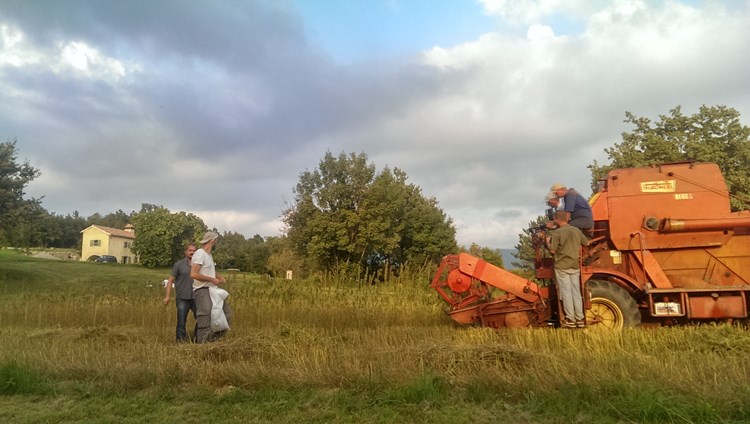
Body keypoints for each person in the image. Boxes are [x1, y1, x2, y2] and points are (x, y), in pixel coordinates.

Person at [546, 210, 589, 328]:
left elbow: (553, 251)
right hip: (574, 265)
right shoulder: (576, 230)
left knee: (566, 292)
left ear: (557, 219)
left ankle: (570, 318)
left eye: (554, 219)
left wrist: (548, 242)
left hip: (561, 266)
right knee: (576, 292)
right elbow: (586, 243)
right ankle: (580, 318)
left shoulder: (557, 233)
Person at [190, 231, 233, 343]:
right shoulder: (200, 253)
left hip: (212, 290)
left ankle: (213, 341)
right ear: (212, 240)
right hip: (202, 290)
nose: (216, 242)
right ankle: (202, 346)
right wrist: (212, 279)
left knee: (227, 314)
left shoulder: (209, 255)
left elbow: (208, 270)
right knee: (205, 317)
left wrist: (218, 276)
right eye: (216, 240)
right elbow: (194, 274)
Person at [163, 243, 198, 342]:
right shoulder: (179, 265)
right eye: (190, 250)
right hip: (182, 298)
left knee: (202, 318)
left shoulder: (199, 265)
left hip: (196, 297)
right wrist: (167, 296)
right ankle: (180, 342)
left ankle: (196, 339)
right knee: (181, 321)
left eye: (194, 250)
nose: (192, 252)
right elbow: (170, 280)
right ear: (185, 252)